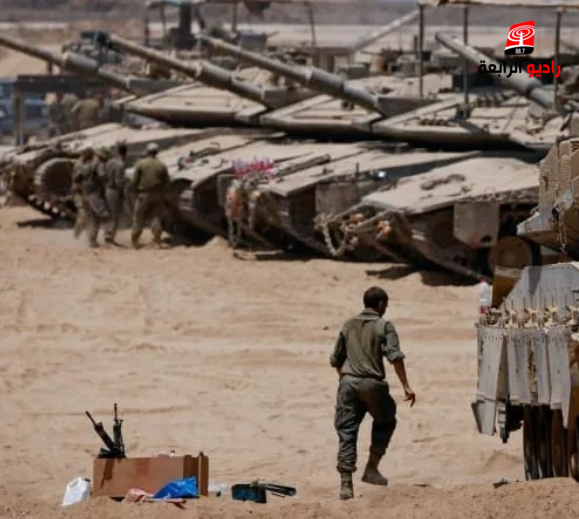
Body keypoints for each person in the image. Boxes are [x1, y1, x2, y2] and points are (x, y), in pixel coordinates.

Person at [330, 286, 416, 501]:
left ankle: (346, 485)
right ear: (380, 304)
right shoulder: (383, 325)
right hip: (373, 384)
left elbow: (336, 359)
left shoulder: (348, 324)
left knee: (347, 431)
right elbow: (395, 357)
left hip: (348, 383)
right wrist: (406, 386)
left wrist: (346, 380)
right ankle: (372, 467)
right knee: (386, 420)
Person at [130, 142, 169, 249]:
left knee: (139, 217)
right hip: (157, 195)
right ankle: (157, 240)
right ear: (157, 152)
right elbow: (167, 182)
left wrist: (134, 192)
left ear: (147, 152)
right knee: (156, 217)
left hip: (143, 195)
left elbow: (134, 182)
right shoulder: (162, 165)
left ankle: (135, 241)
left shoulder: (140, 164)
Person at [84, 147, 111, 248]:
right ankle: (108, 239)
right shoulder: (100, 164)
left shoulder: (91, 162)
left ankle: (92, 240)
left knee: (94, 218)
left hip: (90, 193)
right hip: (96, 193)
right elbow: (102, 176)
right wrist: (109, 181)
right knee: (105, 215)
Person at [104, 142, 128, 245]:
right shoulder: (121, 164)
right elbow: (119, 182)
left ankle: (106, 235)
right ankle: (109, 238)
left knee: (109, 214)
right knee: (115, 216)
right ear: (125, 153)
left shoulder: (109, 162)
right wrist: (123, 193)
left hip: (107, 189)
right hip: (115, 191)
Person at [71, 147, 95, 239]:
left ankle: (88, 236)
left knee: (89, 215)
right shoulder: (79, 164)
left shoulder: (85, 163)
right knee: (83, 216)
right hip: (78, 193)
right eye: (91, 156)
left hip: (85, 192)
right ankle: (76, 236)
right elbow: (77, 178)